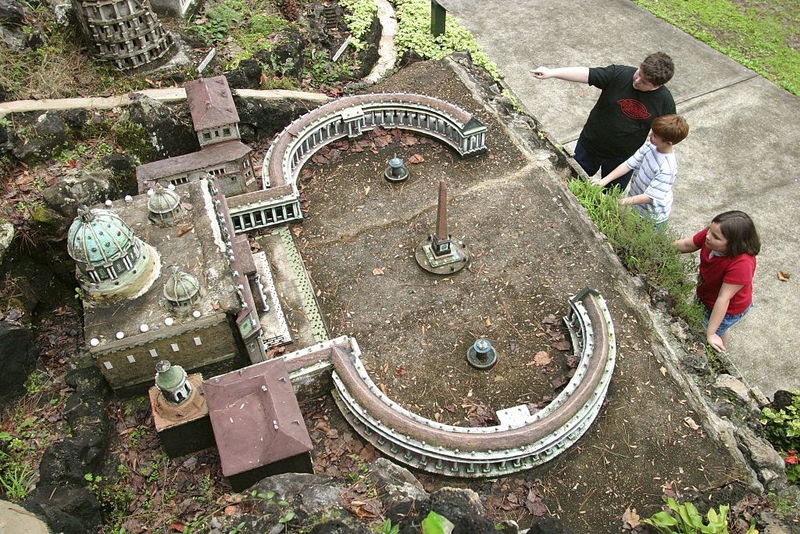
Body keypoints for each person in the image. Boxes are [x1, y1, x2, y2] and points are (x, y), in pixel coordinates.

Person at [531, 52, 676, 189]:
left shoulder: (665, 102)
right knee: (572, 182)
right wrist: (552, 72)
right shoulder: (619, 74)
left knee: (608, 195)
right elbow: (587, 74)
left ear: (657, 86)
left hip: (623, 158)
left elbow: (668, 133)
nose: (637, 80)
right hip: (589, 145)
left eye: (644, 82)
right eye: (639, 73)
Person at [673, 211, 761, 352]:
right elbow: (687, 245)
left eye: (715, 237)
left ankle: (717, 350)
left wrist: (711, 333)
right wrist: (662, 248)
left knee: (703, 333)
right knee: (719, 328)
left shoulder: (742, 264)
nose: (707, 236)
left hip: (727, 308)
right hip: (706, 294)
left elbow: (723, 298)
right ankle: (721, 344)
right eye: (709, 229)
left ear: (734, 243)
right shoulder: (712, 236)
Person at [591, 114, 689, 227]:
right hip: (635, 205)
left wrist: (618, 202)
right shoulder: (650, 145)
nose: (650, 136)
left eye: (655, 136)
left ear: (668, 143)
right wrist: (603, 181)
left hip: (651, 217)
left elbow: (648, 197)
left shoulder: (667, 168)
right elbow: (629, 164)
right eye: (652, 132)